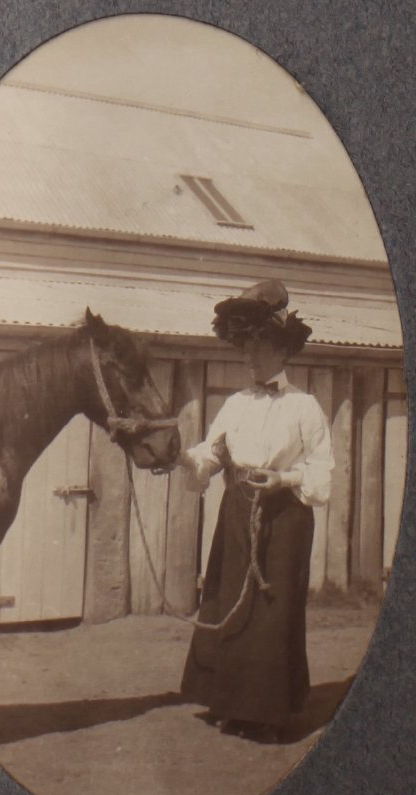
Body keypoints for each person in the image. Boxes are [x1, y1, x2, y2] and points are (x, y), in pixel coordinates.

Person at [179, 279, 334, 743]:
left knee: (272, 611)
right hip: (237, 511)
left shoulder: (305, 407)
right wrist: (182, 458)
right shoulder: (235, 405)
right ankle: (232, 705)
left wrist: (283, 480)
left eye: (259, 345)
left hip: (285, 518)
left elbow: (321, 474)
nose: (249, 355)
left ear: (282, 352)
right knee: (232, 602)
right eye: (245, 345)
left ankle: (269, 714)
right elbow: (211, 453)